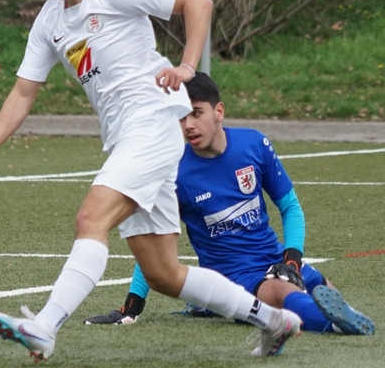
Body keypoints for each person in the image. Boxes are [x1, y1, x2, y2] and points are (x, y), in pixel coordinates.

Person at [0, 0, 303, 361]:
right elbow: (24, 91)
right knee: (164, 274)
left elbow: (198, 3)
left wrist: (187, 67)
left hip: (153, 124)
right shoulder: (48, 22)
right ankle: (273, 321)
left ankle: (45, 326)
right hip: (125, 138)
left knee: (91, 219)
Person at [83, 72, 374, 335]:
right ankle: (333, 325)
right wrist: (132, 305)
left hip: (275, 260)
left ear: (218, 111)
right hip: (233, 278)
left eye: (196, 113)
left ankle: (329, 313)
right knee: (282, 294)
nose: (188, 125)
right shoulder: (174, 173)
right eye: (181, 117)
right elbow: (154, 246)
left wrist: (292, 261)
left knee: (322, 290)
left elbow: (290, 208)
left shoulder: (254, 144)